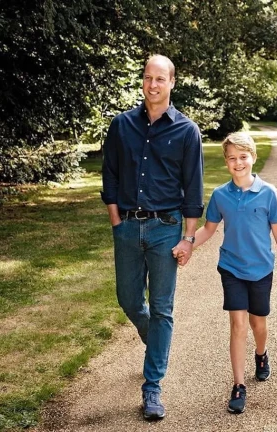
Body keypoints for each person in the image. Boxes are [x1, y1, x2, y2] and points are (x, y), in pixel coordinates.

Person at [101, 54, 204, 420]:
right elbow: (109, 176)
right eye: (148, 78)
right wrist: (116, 221)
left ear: (172, 83)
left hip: (165, 229)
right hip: (127, 226)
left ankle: (152, 388)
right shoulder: (121, 125)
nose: (153, 85)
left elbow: (193, 189)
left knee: (162, 308)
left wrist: (188, 238)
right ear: (142, 81)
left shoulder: (187, 131)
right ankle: (155, 345)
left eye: (160, 79)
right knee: (129, 300)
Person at [175, 132, 277, 414]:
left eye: (243, 157)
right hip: (231, 268)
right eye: (232, 158)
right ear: (226, 162)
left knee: (258, 324)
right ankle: (239, 385)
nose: (238, 163)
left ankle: (261, 354)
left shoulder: (268, 193)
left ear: (253, 157)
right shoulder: (220, 195)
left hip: (261, 268)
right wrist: (187, 244)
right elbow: (209, 229)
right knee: (238, 326)